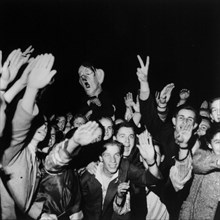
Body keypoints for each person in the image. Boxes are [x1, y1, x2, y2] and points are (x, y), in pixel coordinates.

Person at [136, 55, 199, 219]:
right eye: (181, 118)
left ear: (195, 126)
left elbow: (179, 182)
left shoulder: (197, 147)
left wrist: (184, 145)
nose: (185, 123)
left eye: (190, 120)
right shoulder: (165, 133)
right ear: (173, 121)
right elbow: (149, 117)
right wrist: (144, 84)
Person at [0, 53, 57, 220]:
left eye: (46, 125)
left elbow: (20, 201)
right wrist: (30, 90)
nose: (43, 127)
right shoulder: (13, 154)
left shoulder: (36, 160)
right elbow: (18, 129)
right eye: (39, 122)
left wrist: (40, 215)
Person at [80, 139, 162, 220]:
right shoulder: (89, 175)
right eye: (107, 155)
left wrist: (151, 161)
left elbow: (152, 180)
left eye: (117, 155)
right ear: (100, 158)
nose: (113, 160)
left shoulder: (125, 167)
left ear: (121, 156)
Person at [179, 123, 220, 220]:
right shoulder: (202, 156)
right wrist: (217, 162)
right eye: (218, 142)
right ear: (210, 144)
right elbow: (197, 164)